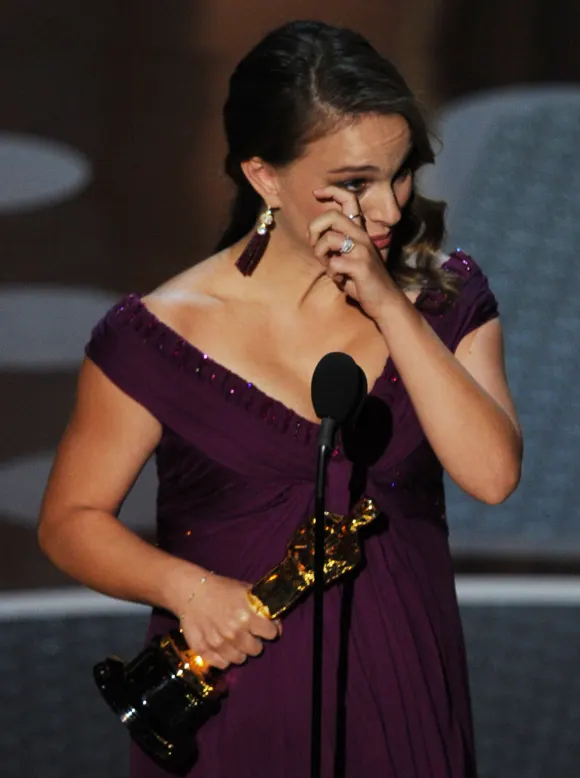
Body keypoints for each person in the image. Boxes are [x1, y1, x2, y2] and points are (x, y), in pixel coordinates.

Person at [38, 19, 522, 778]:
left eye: (402, 175)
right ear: (265, 177)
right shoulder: (158, 337)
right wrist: (186, 588)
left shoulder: (446, 300)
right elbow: (69, 522)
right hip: (237, 699)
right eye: (356, 184)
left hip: (403, 698)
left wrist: (392, 308)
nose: (391, 211)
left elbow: (492, 475)